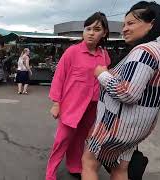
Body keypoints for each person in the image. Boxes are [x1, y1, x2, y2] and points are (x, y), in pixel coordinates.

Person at [82, 2, 160, 180]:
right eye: (124, 25)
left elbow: (128, 93)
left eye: (131, 23)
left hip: (117, 125)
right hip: (137, 128)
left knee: (89, 163)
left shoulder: (145, 51)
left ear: (152, 23)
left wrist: (102, 74)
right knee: (120, 169)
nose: (125, 29)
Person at [46, 12, 111, 180]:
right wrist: (56, 103)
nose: (90, 33)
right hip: (71, 106)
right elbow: (59, 77)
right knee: (62, 140)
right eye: (87, 28)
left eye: (96, 29)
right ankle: (50, 173)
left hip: (93, 107)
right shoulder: (72, 52)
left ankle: (74, 166)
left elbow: (106, 78)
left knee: (81, 139)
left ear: (104, 33)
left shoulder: (104, 55)